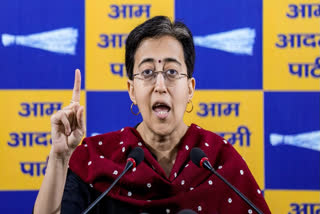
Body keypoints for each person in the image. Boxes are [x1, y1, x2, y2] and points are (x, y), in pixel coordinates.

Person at [33, 16, 271, 214]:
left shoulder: (219, 161)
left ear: (190, 89)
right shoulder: (97, 159)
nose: (160, 85)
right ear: (131, 90)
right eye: (147, 72)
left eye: (171, 71)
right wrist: (59, 158)